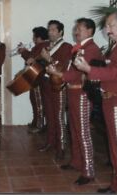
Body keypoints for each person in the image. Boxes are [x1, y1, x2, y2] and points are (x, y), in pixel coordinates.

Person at [73, 11, 117, 193]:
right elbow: (110, 68)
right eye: (107, 26)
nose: (108, 30)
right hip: (111, 99)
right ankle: (116, 184)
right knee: (114, 145)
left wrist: (89, 69)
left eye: (111, 25)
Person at [47, 18, 103, 185]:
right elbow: (73, 70)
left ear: (90, 31)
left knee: (83, 133)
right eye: (75, 28)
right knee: (74, 129)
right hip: (73, 92)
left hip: (82, 93)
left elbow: (78, 73)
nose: (75, 31)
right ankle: (77, 162)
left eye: (79, 28)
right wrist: (59, 72)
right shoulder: (80, 48)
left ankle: (88, 171)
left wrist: (59, 74)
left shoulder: (91, 49)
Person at [38, 20, 72, 160]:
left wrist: (49, 58)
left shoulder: (66, 46)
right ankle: (50, 142)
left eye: (53, 30)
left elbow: (62, 68)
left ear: (60, 32)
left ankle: (61, 147)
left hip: (58, 85)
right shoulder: (46, 45)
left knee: (58, 116)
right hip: (45, 82)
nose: (50, 32)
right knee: (49, 115)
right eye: (49, 29)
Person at [18, 26, 48, 133]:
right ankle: (36, 122)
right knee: (35, 100)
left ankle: (39, 126)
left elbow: (31, 59)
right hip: (37, 77)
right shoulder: (42, 46)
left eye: (34, 36)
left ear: (38, 37)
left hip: (37, 78)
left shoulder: (41, 46)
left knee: (38, 101)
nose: (33, 38)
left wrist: (23, 51)